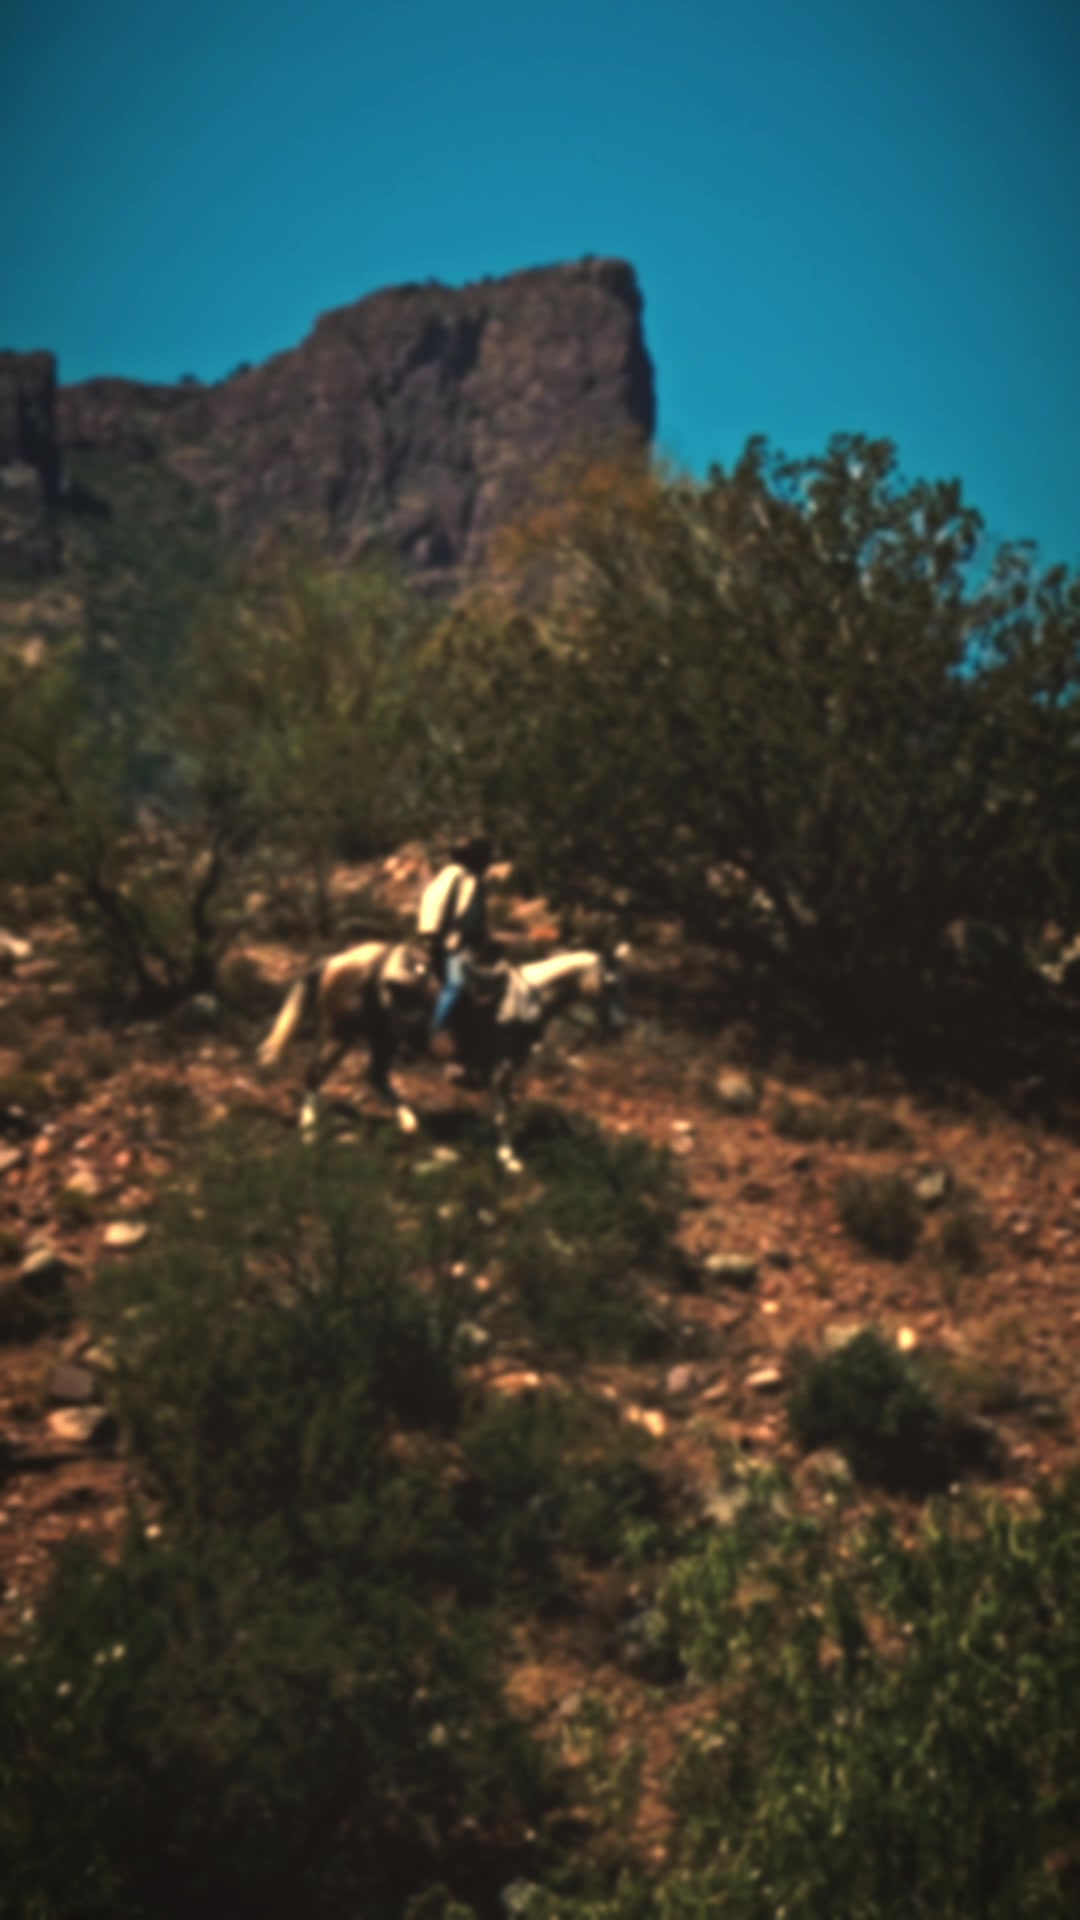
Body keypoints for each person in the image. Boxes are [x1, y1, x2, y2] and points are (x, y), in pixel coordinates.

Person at [418, 834, 494, 1048]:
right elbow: (466, 914)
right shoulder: (468, 880)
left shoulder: (442, 877)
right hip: (454, 943)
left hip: (431, 937)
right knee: (456, 985)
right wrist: (479, 935)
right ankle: (435, 1030)